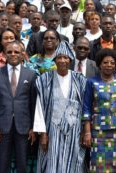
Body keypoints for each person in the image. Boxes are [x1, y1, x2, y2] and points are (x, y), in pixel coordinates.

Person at [33, 41, 87, 173]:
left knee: (73, 164)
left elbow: (85, 107)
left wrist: (85, 131)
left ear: (70, 60)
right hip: (51, 131)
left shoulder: (80, 79)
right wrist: (43, 134)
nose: (62, 60)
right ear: (54, 60)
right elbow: (39, 108)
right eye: (59, 57)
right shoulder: (44, 80)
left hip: (74, 131)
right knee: (52, 163)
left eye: (66, 58)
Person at [82, 48, 116, 172]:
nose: (109, 65)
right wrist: (87, 132)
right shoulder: (91, 82)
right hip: (97, 131)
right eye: (105, 62)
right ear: (99, 65)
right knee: (98, 165)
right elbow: (86, 107)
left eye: (112, 63)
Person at [0, 41, 36, 173]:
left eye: (16, 52)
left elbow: (33, 103)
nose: (13, 54)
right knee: (2, 165)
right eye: (9, 52)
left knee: (22, 164)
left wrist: (33, 127)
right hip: (2, 127)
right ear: (4, 54)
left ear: (22, 55)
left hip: (24, 127)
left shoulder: (30, 75)